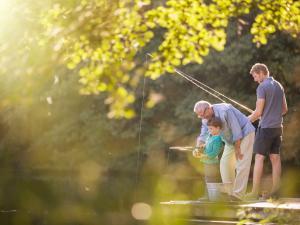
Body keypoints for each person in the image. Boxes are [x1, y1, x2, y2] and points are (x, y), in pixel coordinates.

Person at [194, 100, 255, 200]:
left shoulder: (225, 110)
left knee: (241, 163)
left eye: (203, 114)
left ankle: (238, 196)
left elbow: (236, 129)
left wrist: (237, 147)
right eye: (199, 116)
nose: (202, 118)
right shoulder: (205, 119)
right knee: (225, 164)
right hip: (229, 139)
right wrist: (198, 148)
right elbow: (203, 134)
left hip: (244, 134)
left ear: (209, 108)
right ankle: (230, 194)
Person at [245, 63, 288, 200]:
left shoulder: (262, 87)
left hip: (266, 128)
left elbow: (257, 113)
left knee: (259, 158)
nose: (255, 79)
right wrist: (270, 113)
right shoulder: (279, 86)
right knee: (275, 158)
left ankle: (254, 192)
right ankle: (276, 191)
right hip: (277, 127)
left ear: (262, 72)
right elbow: (284, 109)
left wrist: (244, 121)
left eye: (255, 76)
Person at [192, 117, 223, 200]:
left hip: (212, 163)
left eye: (211, 129)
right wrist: (201, 147)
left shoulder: (218, 139)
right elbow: (206, 144)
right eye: (208, 129)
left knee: (211, 181)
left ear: (218, 128)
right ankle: (208, 196)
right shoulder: (210, 136)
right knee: (207, 179)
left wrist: (202, 156)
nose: (209, 131)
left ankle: (212, 197)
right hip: (207, 162)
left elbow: (213, 153)